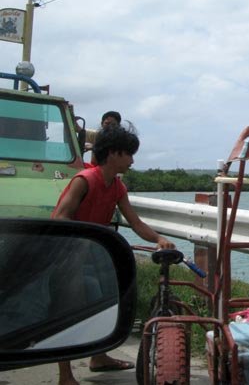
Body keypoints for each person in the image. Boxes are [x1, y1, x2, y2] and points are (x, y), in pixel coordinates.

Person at [52, 123, 175, 385]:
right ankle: (65, 375)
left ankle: (99, 357)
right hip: (67, 255)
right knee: (67, 308)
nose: (132, 160)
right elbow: (61, 217)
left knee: (102, 302)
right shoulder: (84, 181)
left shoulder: (117, 187)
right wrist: (85, 240)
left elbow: (136, 223)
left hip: (92, 253)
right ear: (113, 154)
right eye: (128, 154)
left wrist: (159, 239)